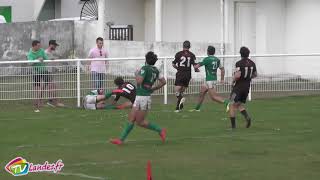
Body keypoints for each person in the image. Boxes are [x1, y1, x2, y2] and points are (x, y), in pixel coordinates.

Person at [110, 51, 167, 145]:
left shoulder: (144, 68)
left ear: (146, 60)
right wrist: (153, 88)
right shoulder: (156, 70)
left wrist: (137, 74)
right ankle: (120, 140)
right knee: (131, 119)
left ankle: (160, 130)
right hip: (142, 97)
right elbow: (163, 82)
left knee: (140, 122)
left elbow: (139, 81)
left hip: (142, 98)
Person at [190, 46, 229, 112]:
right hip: (211, 79)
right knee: (201, 93)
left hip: (210, 80)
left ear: (207, 52)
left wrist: (194, 66)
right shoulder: (217, 60)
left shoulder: (207, 59)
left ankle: (227, 102)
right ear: (214, 52)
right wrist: (222, 79)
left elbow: (196, 66)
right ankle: (197, 108)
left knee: (213, 97)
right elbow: (222, 69)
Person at [229, 46, 257, 129]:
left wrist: (232, 81)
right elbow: (255, 74)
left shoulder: (239, 63)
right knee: (238, 104)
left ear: (240, 54)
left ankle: (233, 127)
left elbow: (237, 76)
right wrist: (248, 78)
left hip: (238, 87)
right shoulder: (252, 63)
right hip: (247, 87)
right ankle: (247, 117)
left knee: (231, 104)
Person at [172, 40, 199, 112]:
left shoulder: (178, 54)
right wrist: (197, 70)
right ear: (189, 47)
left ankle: (181, 99)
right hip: (188, 75)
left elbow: (173, 64)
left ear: (183, 46)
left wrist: (178, 68)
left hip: (180, 73)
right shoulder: (192, 55)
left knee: (177, 91)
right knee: (181, 91)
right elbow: (195, 66)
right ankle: (178, 108)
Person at [27, 40, 49, 112]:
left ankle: (40, 101)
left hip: (44, 71)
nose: (40, 47)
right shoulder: (30, 53)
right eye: (38, 46)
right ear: (34, 46)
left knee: (49, 85)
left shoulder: (42, 50)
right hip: (36, 72)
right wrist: (37, 60)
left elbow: (46, 58)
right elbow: (30, 63)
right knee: (37, 89)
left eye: (40, 45)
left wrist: (44, 59)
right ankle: (37, 103)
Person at [45, 40, 64, 107]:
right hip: (46, 72)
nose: (55, 47)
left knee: (51, 87)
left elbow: (57, 57)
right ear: (51, 45)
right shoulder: (46, 52)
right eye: (54, 45)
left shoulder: (53, 52)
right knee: (52, 86)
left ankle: (50, 102)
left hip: (50, 72)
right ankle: (54, 102)